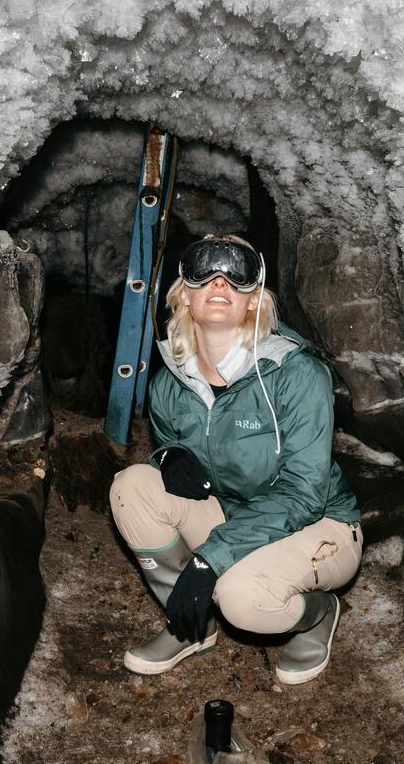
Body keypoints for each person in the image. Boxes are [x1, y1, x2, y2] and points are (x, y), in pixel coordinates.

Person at [109, 234, 362, 685]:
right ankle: (190, 624)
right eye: (204, 272)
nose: (220, 282)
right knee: (132, 487)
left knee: (242, 598)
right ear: (184, 294)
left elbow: (304, 493)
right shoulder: (171, 381)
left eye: (236, 275)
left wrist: (210, 560)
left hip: (320, 524)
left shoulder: (297, 375)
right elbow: (170, 443)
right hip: (232, 511)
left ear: (253, 298)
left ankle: (318, 613)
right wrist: (167, 456)